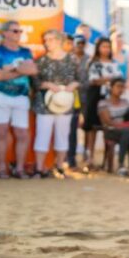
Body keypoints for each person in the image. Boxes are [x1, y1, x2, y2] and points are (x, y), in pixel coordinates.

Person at [31, 29, 80, 179]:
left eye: (51, 39)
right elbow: (34, 81)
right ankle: (39, 169)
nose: (47, 43)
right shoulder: (41, 60)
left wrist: (73, 85)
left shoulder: (72, 59)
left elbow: (81, 78)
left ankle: (60, 167)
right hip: (44, 103)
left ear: (59, 40)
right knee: (42, 135)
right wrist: (45, 84)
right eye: (46, 40)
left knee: (62, 135)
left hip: (64, 104)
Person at [0, 20, 38, 178]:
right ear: (4, 33)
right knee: (1, 132)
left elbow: (32, 70)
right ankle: (1, 169)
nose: (18, 34)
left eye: (19, 31)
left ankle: (19, 169)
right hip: (0, 96)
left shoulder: (26, 51)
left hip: (21, 97)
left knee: (22, 134)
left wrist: (12, 69)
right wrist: (21, 70)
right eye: (14, 31)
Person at [83, 37, 122, 170]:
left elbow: (119, 82)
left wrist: (106, 80)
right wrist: (109, 80)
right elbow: (93, 80)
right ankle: (89, 159)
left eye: (108, 46)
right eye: (103, 46)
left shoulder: (114, 63)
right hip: (95, 97)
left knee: (108, 128)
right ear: (98, 48)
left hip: (110, 99)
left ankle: (107, 161)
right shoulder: (93, 63)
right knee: (92, 129)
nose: (106, 49)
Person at [98, 77, 129, 176]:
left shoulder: (126, 102)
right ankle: (121, 165)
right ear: (111, 87)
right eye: (118, 86)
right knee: (126, 131)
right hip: (111, 132)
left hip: (127, 131)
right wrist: (126, 126)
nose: (121, 89)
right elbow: (107, 122)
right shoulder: (103, 103)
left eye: (123, 87)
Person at [68, 34, 89, 170]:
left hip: (86, 97)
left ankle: (86, 158)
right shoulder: (68, 58)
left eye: (82, 43)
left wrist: (79, 84)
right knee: (72, 129)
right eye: (78, 43)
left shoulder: (89, 59)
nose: (80, 45)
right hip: (71, 98)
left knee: (87, 129)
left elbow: (90, 80)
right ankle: (71, 159)